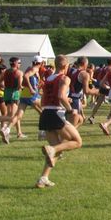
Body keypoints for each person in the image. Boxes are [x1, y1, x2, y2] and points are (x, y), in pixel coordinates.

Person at [36, 55, 83, 188]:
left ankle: (43, 178)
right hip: (56, 113)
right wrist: (70, 109)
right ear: (65, 66)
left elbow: (45, 99)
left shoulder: (48, 78)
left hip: (45, 113)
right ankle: (52, 149)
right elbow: (61, 96)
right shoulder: (64, 78)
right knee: (77, 142)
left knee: (58, 151)